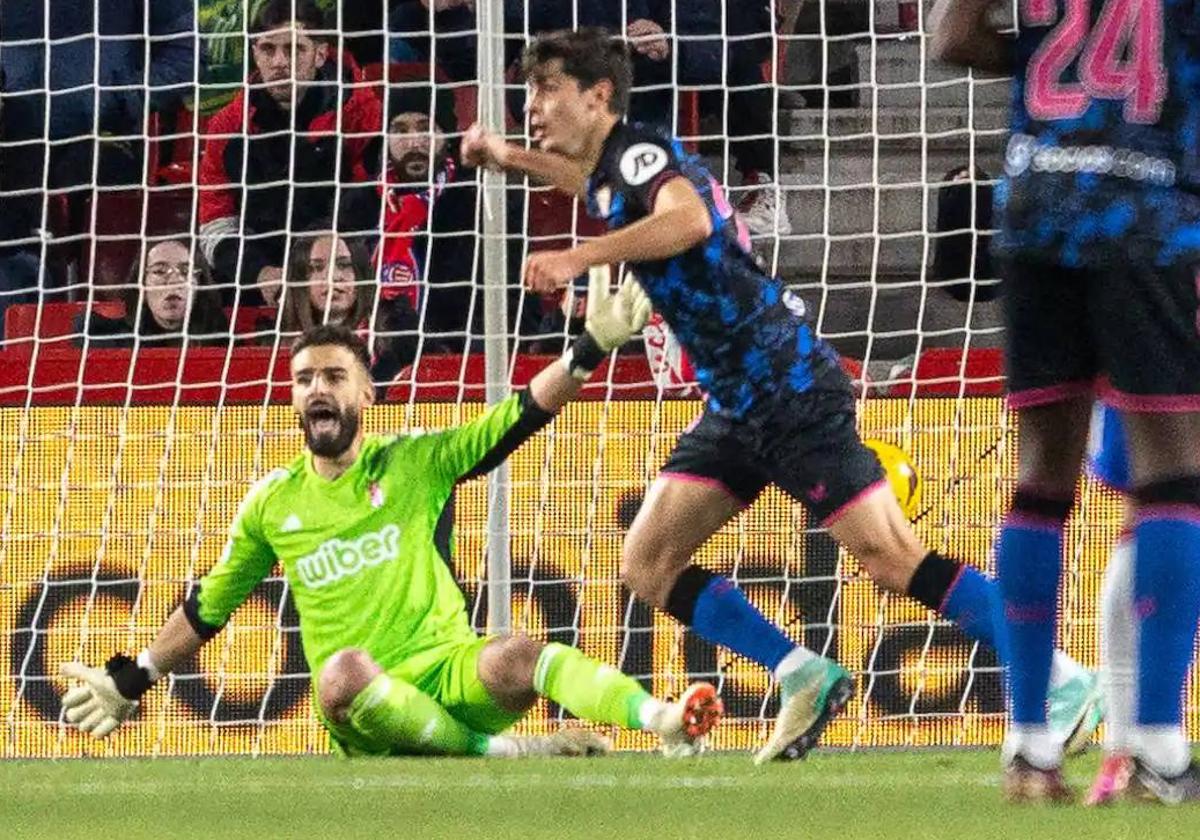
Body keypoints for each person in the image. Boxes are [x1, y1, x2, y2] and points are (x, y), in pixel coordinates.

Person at [462, 27, 1101, 764]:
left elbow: (688, 220)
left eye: (545, 90)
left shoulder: (641, 154)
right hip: (738, 399)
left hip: (787, 385)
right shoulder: (612, 169)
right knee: (647, 562)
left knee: (892, 560)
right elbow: (588, 187)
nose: (532, 106)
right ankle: (803, 674)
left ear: (597, 95)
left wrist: (581, 255)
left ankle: (1061, 678)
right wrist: (507, 156)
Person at [60, 291, 725, 758]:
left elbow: (513, 419)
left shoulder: (414, 461)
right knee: (343, 671)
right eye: (303, 380)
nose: (317, 389)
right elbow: (209, 605)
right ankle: (502, 752)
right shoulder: (272, 502)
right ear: (292, 398)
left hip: (449, 672)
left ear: (366, 393)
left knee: (518, 651)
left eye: (333, 376)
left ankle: (659, 717)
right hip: (365, 710)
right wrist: (132, 676)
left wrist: (585, 351)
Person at [932, 0, 1200, 802]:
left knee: (1042, 479)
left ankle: (1029, 746)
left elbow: (952, 35)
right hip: (1146, 210)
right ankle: (1156, 744)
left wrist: (1053, 78)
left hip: (1033, 202)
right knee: (1174, 475)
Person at [197, 0, 382, 306]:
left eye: (294, 49)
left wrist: (318, 267)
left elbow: (371, 206)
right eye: (268, 49)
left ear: (320, 54)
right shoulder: (227, 126)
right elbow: (216, 220)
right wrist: (258, 273)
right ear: (255, 54)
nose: (279, 62)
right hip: (256, 280)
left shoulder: (361, 114)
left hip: (345, 272)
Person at [280, 225, 419, 393]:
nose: (333, 277)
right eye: (317, 268)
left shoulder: (400, 332)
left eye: (344, 265)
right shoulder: (276, 344)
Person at [75, 238, 230, 349]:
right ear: (141, 285)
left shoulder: (223, 342)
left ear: (200, 284)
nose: (174, 282)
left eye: (185, 271)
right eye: (159, 271)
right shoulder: (114, 344)